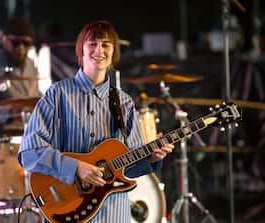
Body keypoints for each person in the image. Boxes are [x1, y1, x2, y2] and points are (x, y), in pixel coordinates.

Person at [18, 21, 173, 222]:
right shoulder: (57, 95)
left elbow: (131, 168)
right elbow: (29, 153)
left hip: (114, 215)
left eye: (106, 45)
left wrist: (152, 158)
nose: (99, 50)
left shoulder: (124, 102)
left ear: (113, 53)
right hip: (68, 211)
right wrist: (75, 167)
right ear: (81, 50)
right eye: (92, 44)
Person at [0, 16, 42, 136]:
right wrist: (10, 113)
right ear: (3, 39)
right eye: (15, 43)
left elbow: (34, 96)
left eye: (26, 43)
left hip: (30, 136)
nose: (21, 48)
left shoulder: (31, 65)